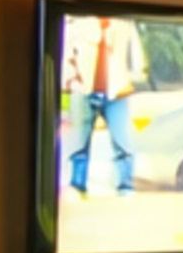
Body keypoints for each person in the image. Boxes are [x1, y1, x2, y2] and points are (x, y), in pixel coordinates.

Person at [59, 11, 148, 195]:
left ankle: (125, 190)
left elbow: (139, 59)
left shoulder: (124, 22)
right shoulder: (77, 22)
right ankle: (78, 188)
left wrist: (133, 79)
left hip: (117, 92)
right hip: (83, 91)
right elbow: (66, 56)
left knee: (124, 145)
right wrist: (71, 81)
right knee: (78, 146)